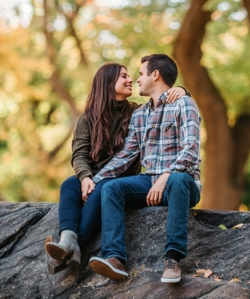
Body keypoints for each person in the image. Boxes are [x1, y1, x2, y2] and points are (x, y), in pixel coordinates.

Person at [44, 62, 186, 273]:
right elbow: (79, 155)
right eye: (123, 76)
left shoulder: (138, 112)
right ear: (108, 83)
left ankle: (75, 247)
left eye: (131, 76)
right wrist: (85, 178)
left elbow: (163, 104)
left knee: (104, 188)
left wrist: (182, 90)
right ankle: (67, 238)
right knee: (69, 184)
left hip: (120, 178)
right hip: (94, 176)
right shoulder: (88, 118)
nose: (130, 80)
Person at [89, 54, 201, 285]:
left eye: (141, 74)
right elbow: (126, 155)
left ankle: (173, 259)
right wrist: (95, 179)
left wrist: (167, 176)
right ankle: (115, 258)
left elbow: (191, 151)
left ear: (155, 74)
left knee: (179, 180)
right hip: (148, 182)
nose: (137, 79)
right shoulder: (139, 114)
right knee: (111, 189)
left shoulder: (184, 103)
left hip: (182, 183)